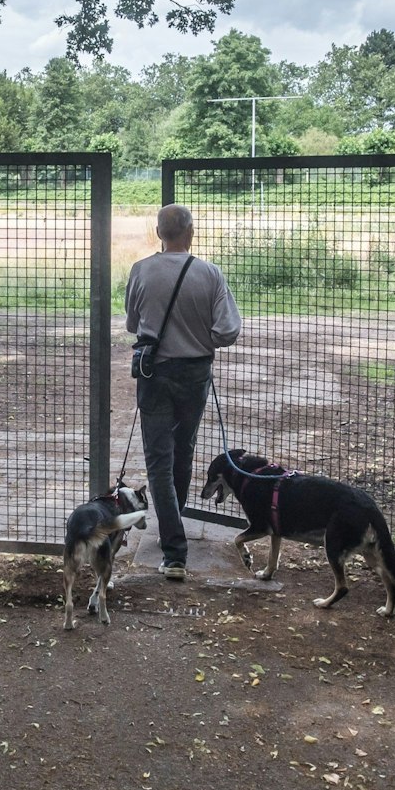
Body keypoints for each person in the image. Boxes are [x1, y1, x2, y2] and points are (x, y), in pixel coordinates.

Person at [124, 204, 241, 580]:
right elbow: (228, 331)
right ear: (191, 233)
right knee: (184, 450)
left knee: (159, 460)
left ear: (158, 233)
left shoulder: (141, 270)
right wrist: (197, 338)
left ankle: (173, 550)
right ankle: (174, 528)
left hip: (153, 372)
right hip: (194, 373)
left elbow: (132, 324)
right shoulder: (209, 273)